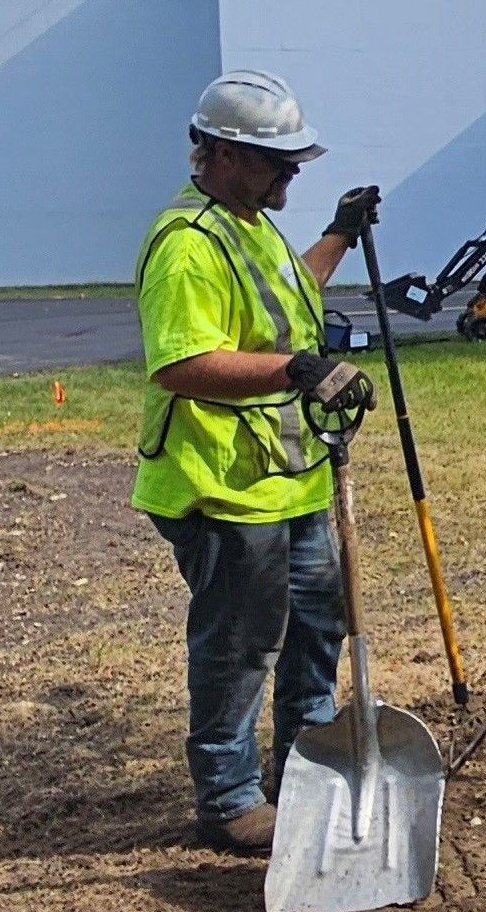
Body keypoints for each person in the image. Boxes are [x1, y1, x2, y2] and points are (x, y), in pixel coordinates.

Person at [132, 69, 381, 853]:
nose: (293, 174)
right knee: (242, 642)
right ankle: (230, 798)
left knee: (318, 623)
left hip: (290, 474)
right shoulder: (188, 244)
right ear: (224, 153)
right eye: (280, 161)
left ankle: (305, 768)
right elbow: (181, 363)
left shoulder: (249, 222)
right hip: (223, 487)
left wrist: (338, 232)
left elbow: (286, 298)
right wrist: (294, 372)